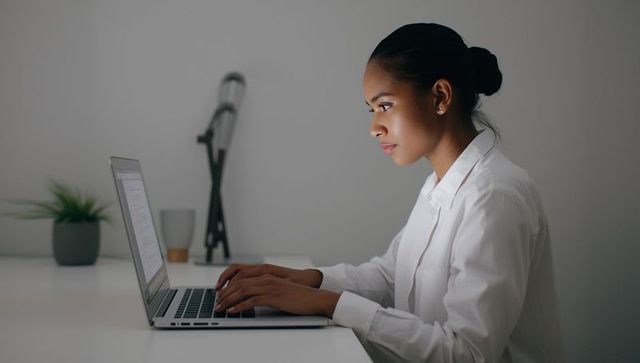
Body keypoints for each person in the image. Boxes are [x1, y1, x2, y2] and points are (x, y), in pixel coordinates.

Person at [213, 23, 563, 362]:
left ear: (440, 97)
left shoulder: (495, 196)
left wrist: (327, 304)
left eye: (385, 106)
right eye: (372, 110)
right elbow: (393, 274)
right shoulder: (442, 184)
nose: (373, 128)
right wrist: (310, 281)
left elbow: (465, 354)